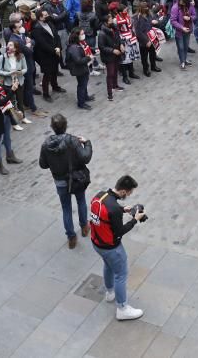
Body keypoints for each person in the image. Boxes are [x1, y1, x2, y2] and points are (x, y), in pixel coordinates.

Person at [89, 175, 146, 321]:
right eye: (129, 193)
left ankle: (110, 292)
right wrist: (135, 220)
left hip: (97, 243)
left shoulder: (100, 196)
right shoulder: (113, 209)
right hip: (111, 248)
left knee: (108, 266)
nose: (129, 195)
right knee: (121, 274)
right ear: (123, 192)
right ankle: (122, 308)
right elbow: (120, 230)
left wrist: (122, 209)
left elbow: (109, 210)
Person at [39, 114, 92, 249]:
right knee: (81, 201)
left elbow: (43, 165)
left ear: (52, 127)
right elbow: (85, 157)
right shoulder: (73, 141)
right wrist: (87, 143)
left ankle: (71, 237)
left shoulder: (46, 145)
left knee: (66, 208)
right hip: (76, 179)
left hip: (60, 181)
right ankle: (84, 227)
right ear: (66, 125)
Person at [97, 14, 125, 100]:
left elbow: (119, 38)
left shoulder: (114, 28)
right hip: (109, 56)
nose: (112, 20)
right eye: (110, 19)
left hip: (117, 53)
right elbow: (102, 47)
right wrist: (112, 50)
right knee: (110, 73)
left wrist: (121, 44)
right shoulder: (102, 34)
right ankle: (109, 93)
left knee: (115, 70)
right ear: (106, 22)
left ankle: (115, 86)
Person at [67, 26, 96, 109]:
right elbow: (78, 60)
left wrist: (93, 50)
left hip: (84, 67)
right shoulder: (74, 47)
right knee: (82, 85)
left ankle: (85, 96)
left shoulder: (81, 43)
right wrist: (89, 57)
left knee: (85, 82)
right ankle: (81, 102)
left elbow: (86, 49)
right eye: (82, 34)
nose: (84, 35)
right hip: (79, 69)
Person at [170, 0, 196, 70]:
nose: (181, 3)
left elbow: (194, 15)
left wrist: (190, 18)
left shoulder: (190, 6)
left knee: (186, 46)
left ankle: (185, 59)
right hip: (179, 31)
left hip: (188, 29)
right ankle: (182, 62)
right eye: (180, 1)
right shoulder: (175, 7)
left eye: (183, 2)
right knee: (180, 47)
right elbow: (173, 21)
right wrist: (182, 27)